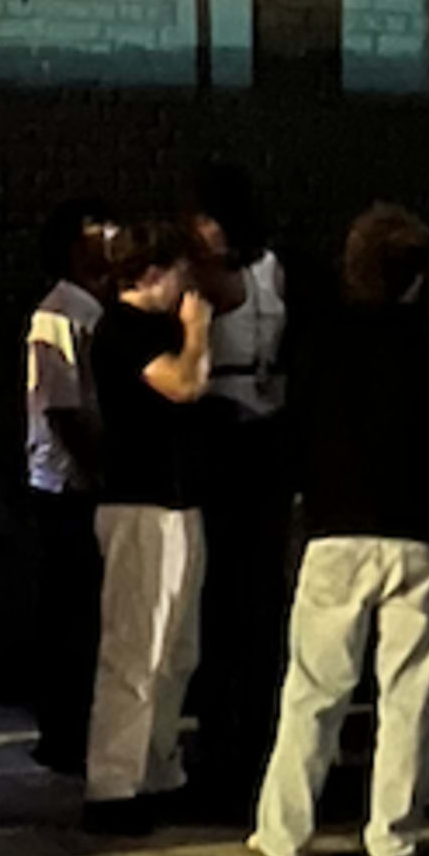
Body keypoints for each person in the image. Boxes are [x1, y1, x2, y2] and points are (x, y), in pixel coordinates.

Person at [252, 205, 429, 856]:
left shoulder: (320, 339)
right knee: (409, 695)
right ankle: (393, 837)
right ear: (418, 277)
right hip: (420, 537)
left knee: (314, 692)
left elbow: (293, 435)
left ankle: (284, 832)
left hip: (335, 531)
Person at [81, 222, 214, 826]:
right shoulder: (122, 330)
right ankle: (113, 785)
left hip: (177, 500)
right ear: (155, 273)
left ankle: (157, 770)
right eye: (181, 271)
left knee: (175, 649)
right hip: (139, 503)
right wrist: (196, 334)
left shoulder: (150, 329)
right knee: (135, 647)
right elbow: (183, 385)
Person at [184, 173, 292, 811]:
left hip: (241, 421)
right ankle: (237, 727)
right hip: (242, 420)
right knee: (242, 589)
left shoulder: (243, 273)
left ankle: (237, 728)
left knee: (240, 587)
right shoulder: (247, 274)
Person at [21, 210, 111, 777]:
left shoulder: (92, 309)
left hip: (77, 479)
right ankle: (62, 731)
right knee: (69, 614)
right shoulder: (58, 313)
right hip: (67, 484)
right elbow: (62, 407)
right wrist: (99, 468)